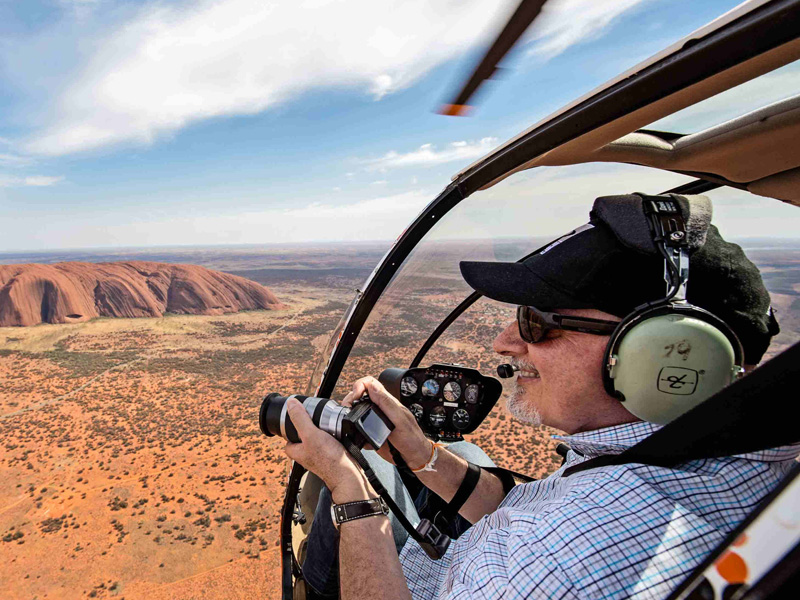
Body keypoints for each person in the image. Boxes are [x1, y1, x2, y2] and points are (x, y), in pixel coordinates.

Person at [282, 208, 795, 600]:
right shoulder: (693, 455)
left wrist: (348, 488)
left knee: (359, 463)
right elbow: (526, 505)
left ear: (659, 352)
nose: (505, 342)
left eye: (536, 321)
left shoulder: (569, 556)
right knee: (452, 451)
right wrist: (421, 455)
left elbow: (556, 544)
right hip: (471, 556)